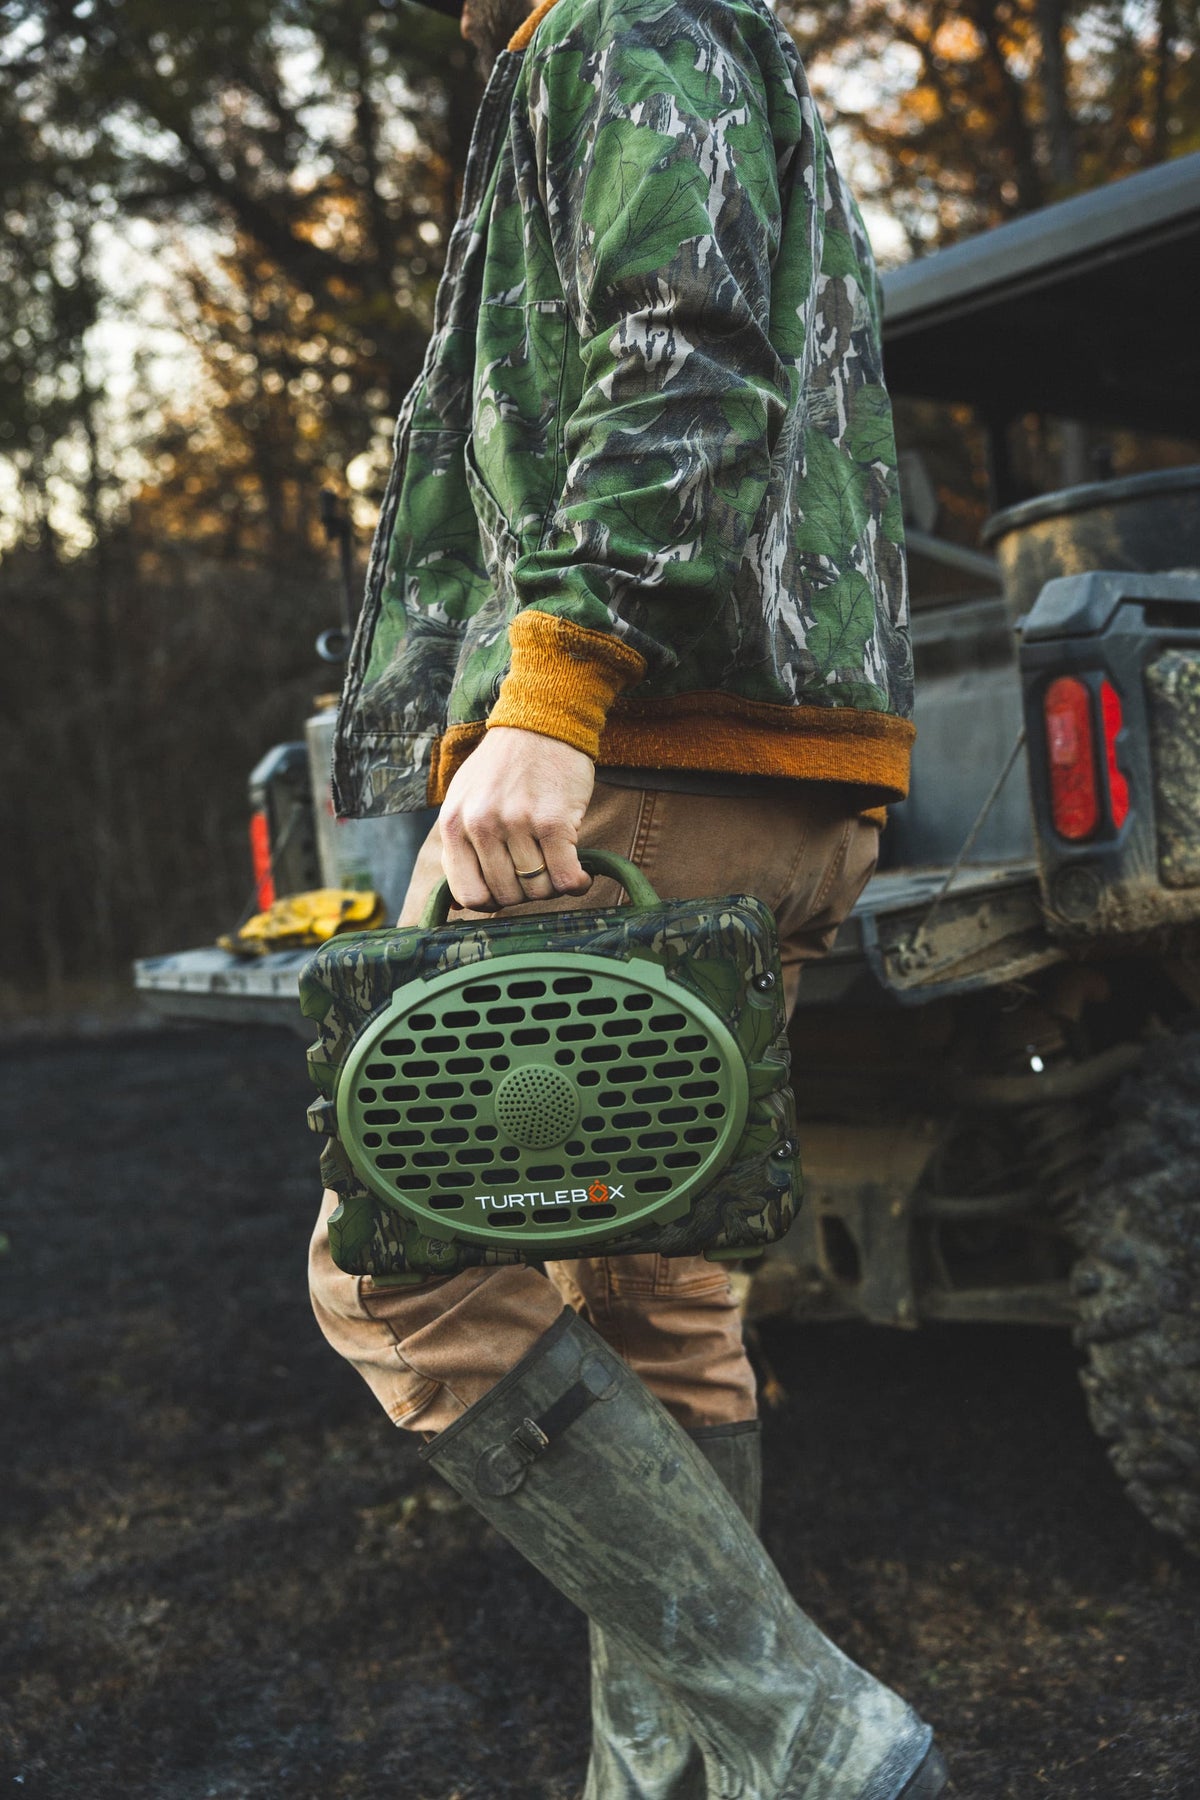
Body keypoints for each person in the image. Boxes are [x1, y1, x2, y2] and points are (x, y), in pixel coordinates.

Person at [309, 0, 949, 1792]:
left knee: (402, 1273)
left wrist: (553, 702)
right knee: (657, 1314)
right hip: (768, 791)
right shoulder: (691, 40)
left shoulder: (617, 20)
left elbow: (685, 346)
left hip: (638, 778)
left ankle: (809, 1738)